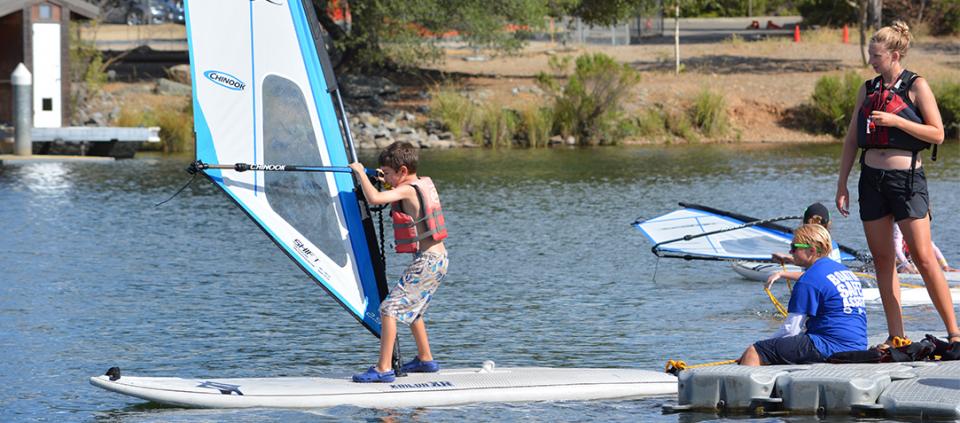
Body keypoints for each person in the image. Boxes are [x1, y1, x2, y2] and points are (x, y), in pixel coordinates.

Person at [835, 21, 960, 346]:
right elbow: (851, 139)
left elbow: (938, 134)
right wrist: (842, 184)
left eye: (876, 55)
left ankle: (955, 332)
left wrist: (896, 121)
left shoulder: (917, 85)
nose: (871, 61)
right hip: (871, 180)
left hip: (907, 180)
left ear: (894, 54)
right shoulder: (867, 88)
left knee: (923, 256)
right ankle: (897, 335)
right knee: (882, 259)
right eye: (870, 54)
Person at [348, 141, 450, 383]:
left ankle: (383, 368)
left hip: (428, 261)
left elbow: (374, 198)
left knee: (389, 309)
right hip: (438, 259)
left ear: (403, 171)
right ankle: (426, 359)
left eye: (391, 174)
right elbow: (389, 189)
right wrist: (383, 177)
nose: (389, 179)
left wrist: (360, 171)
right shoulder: (419, 183)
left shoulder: (407, 189)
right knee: (414, 310)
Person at [740, 224, 867, 366]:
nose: (790, 251)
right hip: (859, 345)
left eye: (794, 247)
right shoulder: (845, 271)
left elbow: (791, 330)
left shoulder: (808, 279)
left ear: (812, 250)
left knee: (755, 351)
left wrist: (766, 346)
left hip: (830, 347)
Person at [766, 202, 842, 288]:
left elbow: (814, 276)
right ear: (828, 224)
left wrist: (781, 274)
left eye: (794, 247)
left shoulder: (821, 246)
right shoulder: (830, 243)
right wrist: (788, 258)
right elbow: (813, 262)